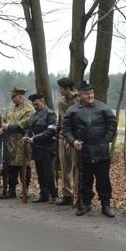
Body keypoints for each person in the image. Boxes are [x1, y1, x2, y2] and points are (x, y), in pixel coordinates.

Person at [62, 81, 118, 217]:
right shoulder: (72, 110)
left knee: (103, 180)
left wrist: (106, 140)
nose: (90, 96)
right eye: (86, 94)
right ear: (80, 95)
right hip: (83, 151)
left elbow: (112, 125)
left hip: (101, 151)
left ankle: (106, 205)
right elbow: (66, 129)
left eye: (91, 93)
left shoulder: (103, 108)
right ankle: (86, 203)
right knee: (84, 180)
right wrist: (73, 142)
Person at [0, 87, 35, 199]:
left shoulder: (29, 109)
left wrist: (8, 126)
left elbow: (24, 124)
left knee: (24, 166)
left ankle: (25, 188)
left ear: (20, 96)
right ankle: (11, 189)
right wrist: (2, 127)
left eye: (13, 97)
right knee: (11, 167)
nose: (12, 99)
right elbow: (4, 119)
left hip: (22, 143)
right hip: (9, 143)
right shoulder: (10, 108)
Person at [24, 93, 58, 203]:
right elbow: (29, 129)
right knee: (40, 173)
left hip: (48, 147)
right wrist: (26, 136)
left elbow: (51, 131)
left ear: (43, 102)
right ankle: (44, 194)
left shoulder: (50, 114)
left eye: (37, 104)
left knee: (48, 172)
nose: (35, 106)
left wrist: (35, 138)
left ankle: (54, 195)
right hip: (37, 148)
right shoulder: (33, 116)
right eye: (33, 104)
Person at [55, 77, 79, 206]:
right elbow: (62, 120)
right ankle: (67, 195)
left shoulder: (79, 100)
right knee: (65, 168)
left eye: (61, 89)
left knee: (76, 168)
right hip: (63, 138)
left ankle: (77, 195)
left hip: (76, 139)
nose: (59, 91)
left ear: (66, 88)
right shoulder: (61, 103)